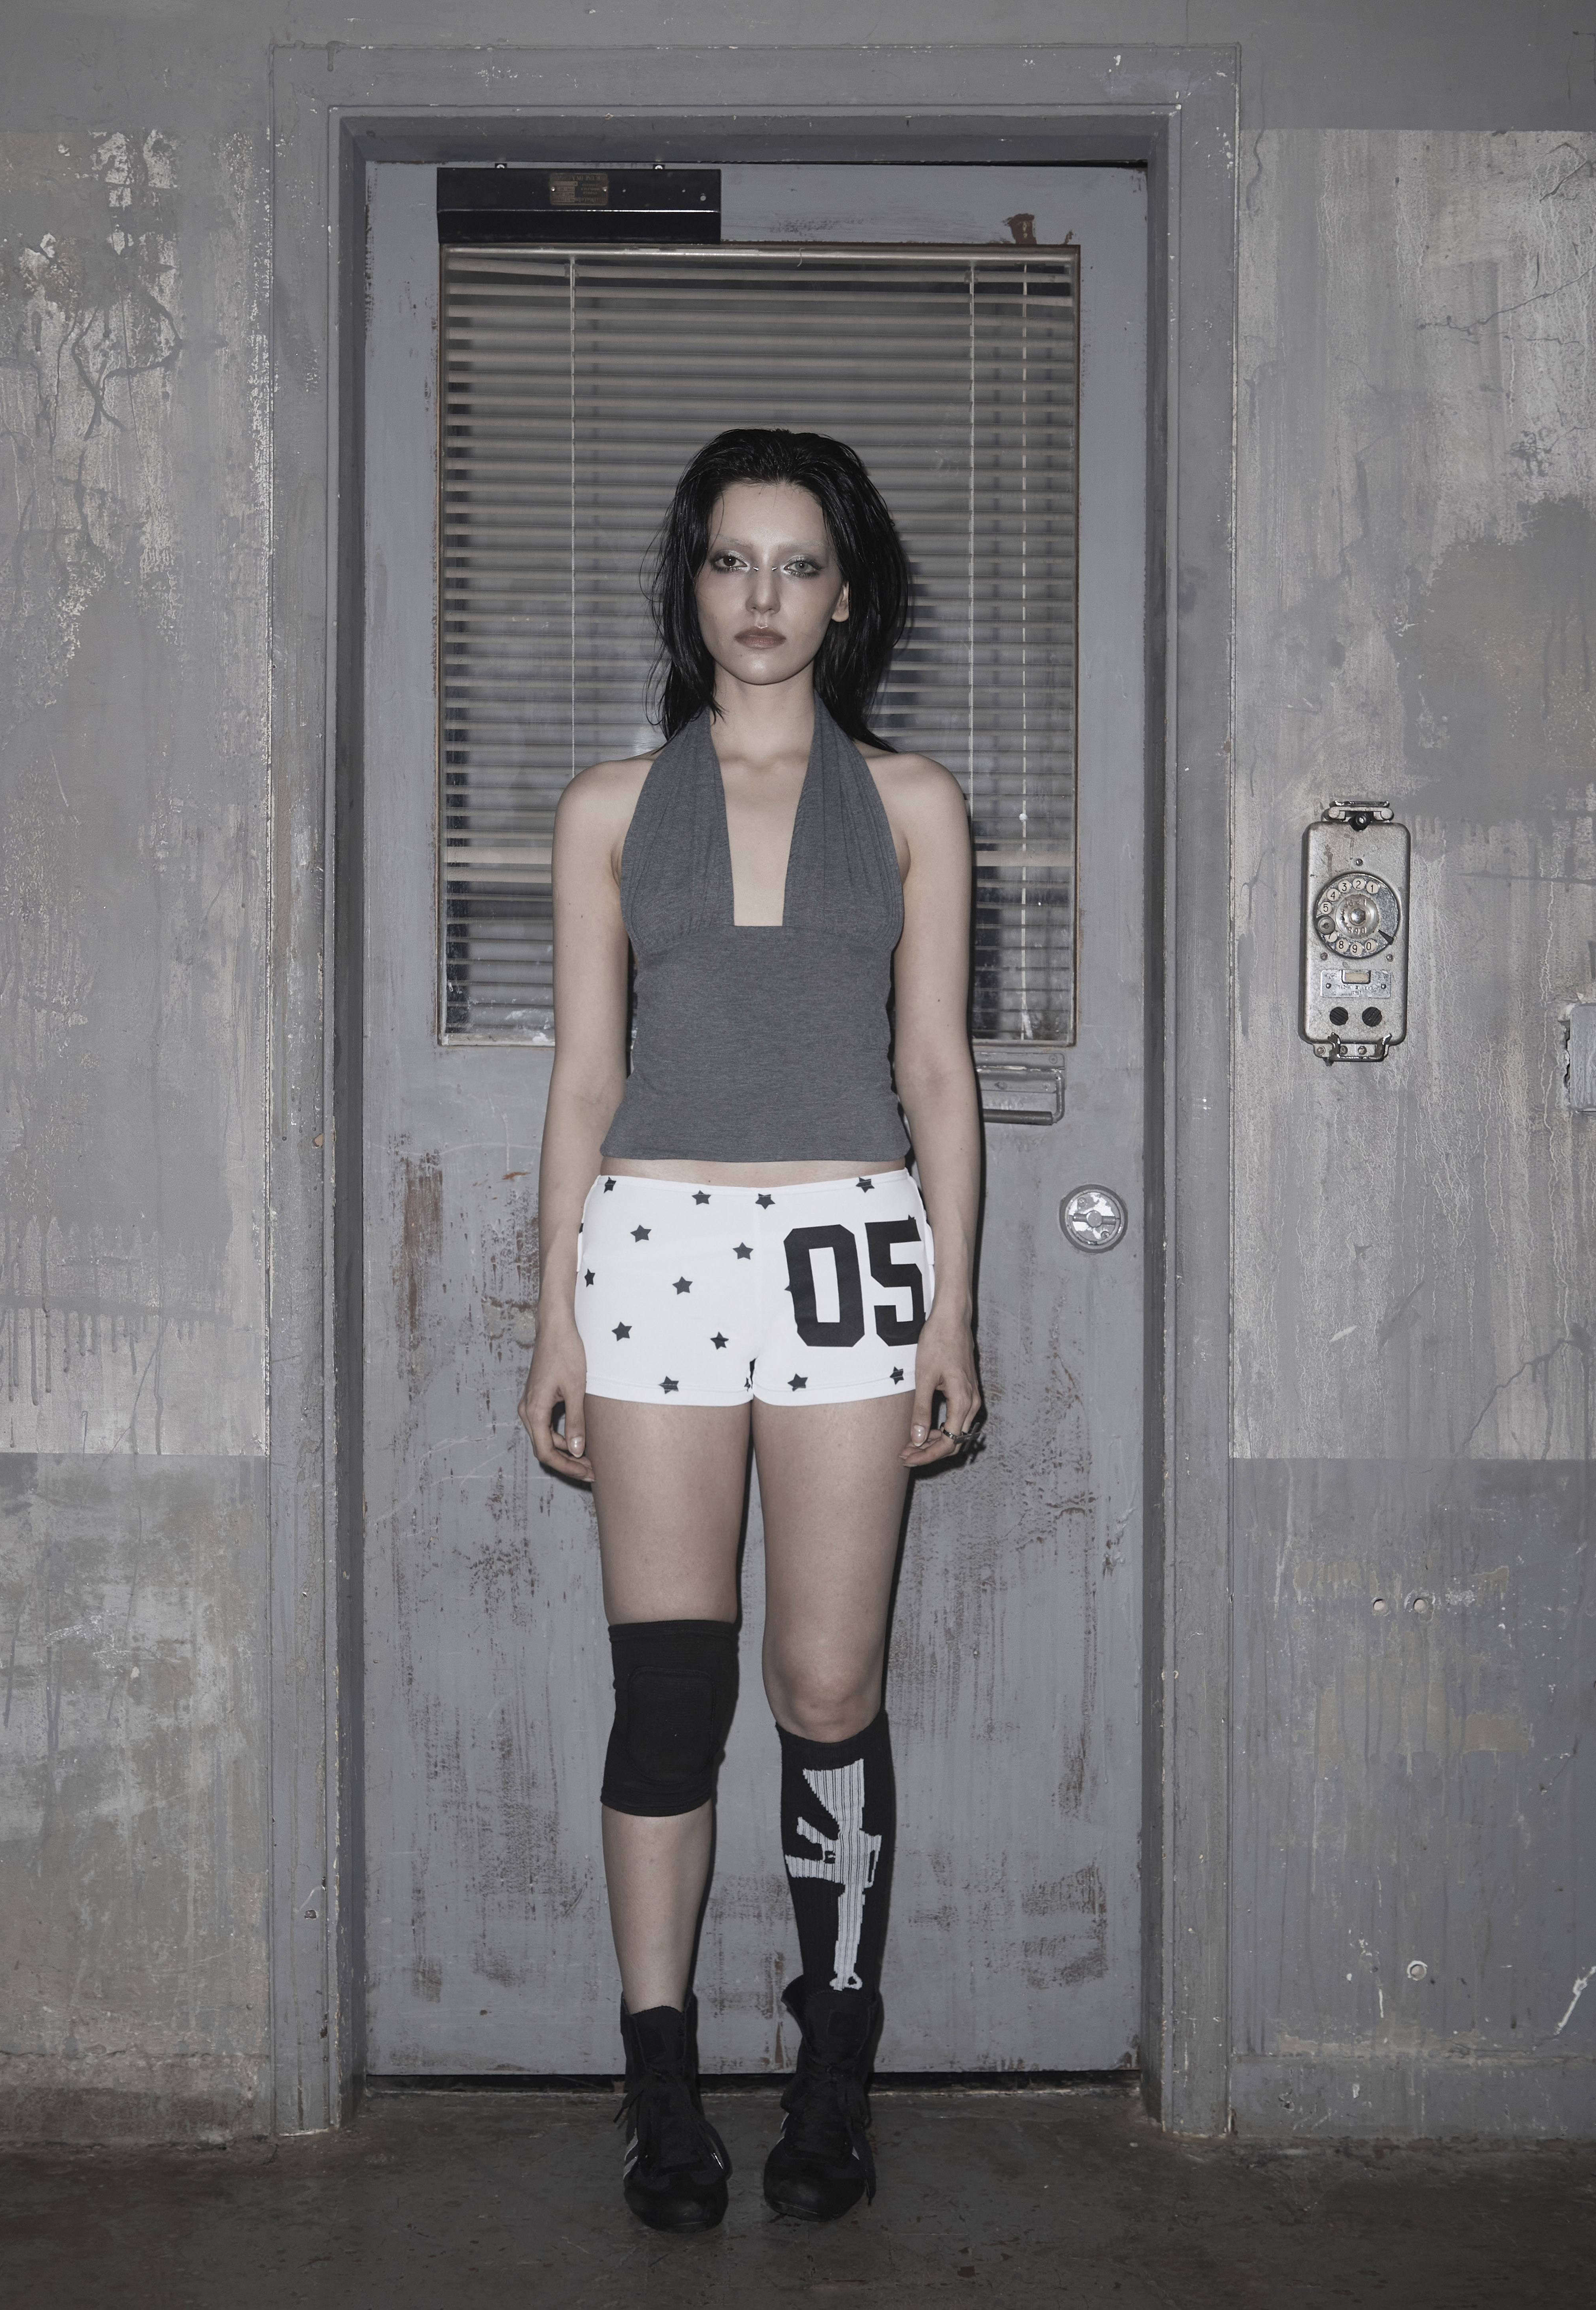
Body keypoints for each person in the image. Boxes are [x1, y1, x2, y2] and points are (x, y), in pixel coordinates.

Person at [517, 427, 982, 2232]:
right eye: (731, 560)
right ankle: (658, 2090)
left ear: (845, 594)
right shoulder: (609, 807)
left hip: (849, 1249)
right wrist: (553, 1318)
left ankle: (830, 2074)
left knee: (828, 1689)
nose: (762, 596)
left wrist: (954, 1308)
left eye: (798, 564)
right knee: (670, 1695)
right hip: (652, 1251)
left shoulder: (916, 803)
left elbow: (935, 1074)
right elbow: (583, 1080)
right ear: (691, 582)